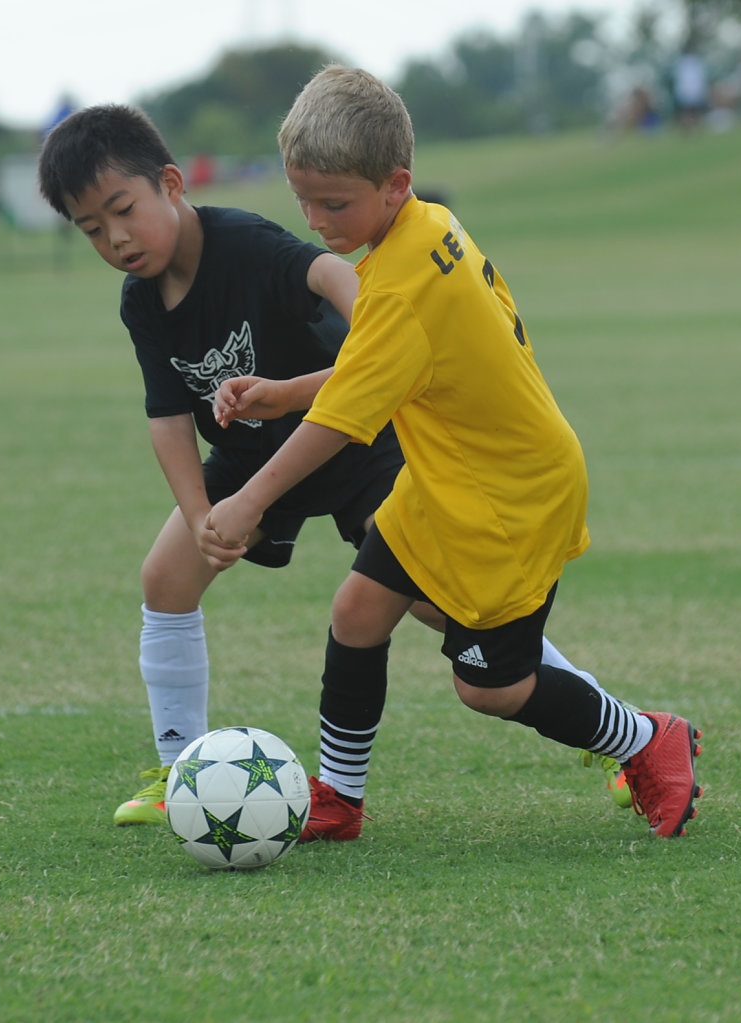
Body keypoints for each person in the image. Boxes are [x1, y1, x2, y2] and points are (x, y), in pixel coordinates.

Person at [35, 103, 619, 829]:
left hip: (353, 443)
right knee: (166, 576)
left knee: (439, 601)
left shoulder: (243, 242)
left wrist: (337, 367)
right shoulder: (143, 303)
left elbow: (349, 288)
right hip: (254, 459)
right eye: (91, 228)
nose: (115, 237)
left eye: (122, 210)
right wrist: (201, 519)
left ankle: (607, 730)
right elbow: (166, 418)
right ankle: (179, 768)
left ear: (172, 184)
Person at [208, 65, 703, 839]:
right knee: (359, 609)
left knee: (492, 688)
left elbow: (345, 420)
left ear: (395, 183)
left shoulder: (403, 279)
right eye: (302, 199)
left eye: (334, 203)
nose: (315, 219)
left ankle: (648, 739)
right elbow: (390, 362)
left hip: (508, 497)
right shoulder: (427, 224)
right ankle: (338, 796)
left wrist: (248, 501)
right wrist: (282, 391)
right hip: (453, 479)